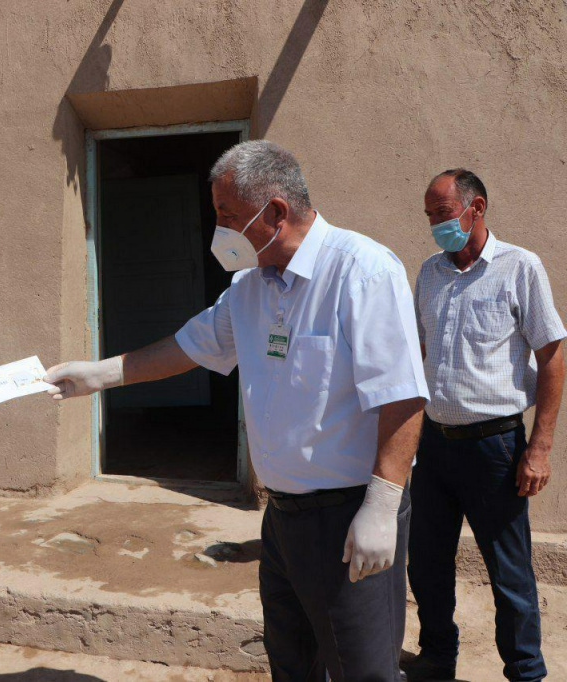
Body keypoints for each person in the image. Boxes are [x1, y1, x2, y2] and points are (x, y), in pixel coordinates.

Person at [45, 140, 429, 680]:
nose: (219, 232)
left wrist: (383, 503)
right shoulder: (249, 287)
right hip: (283, 521)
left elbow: (404, 396)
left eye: (227, 217)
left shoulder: (362, 272)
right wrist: (97, 374)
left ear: (276, 213)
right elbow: (186, 347)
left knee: (362, 670)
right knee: (292, 663)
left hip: (349, 520)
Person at [404, 170, 565, 681]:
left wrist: (538, 448)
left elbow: (553, 355)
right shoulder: (429, 272)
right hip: (434, 446)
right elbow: (419, 353)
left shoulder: (520, 267)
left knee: (509, 573)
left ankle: (525, 671)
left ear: (477, 207)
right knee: (426, 563)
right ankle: (437, 659)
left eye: (443, 212)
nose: (434, 224)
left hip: (494, 448)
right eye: (429, 215)